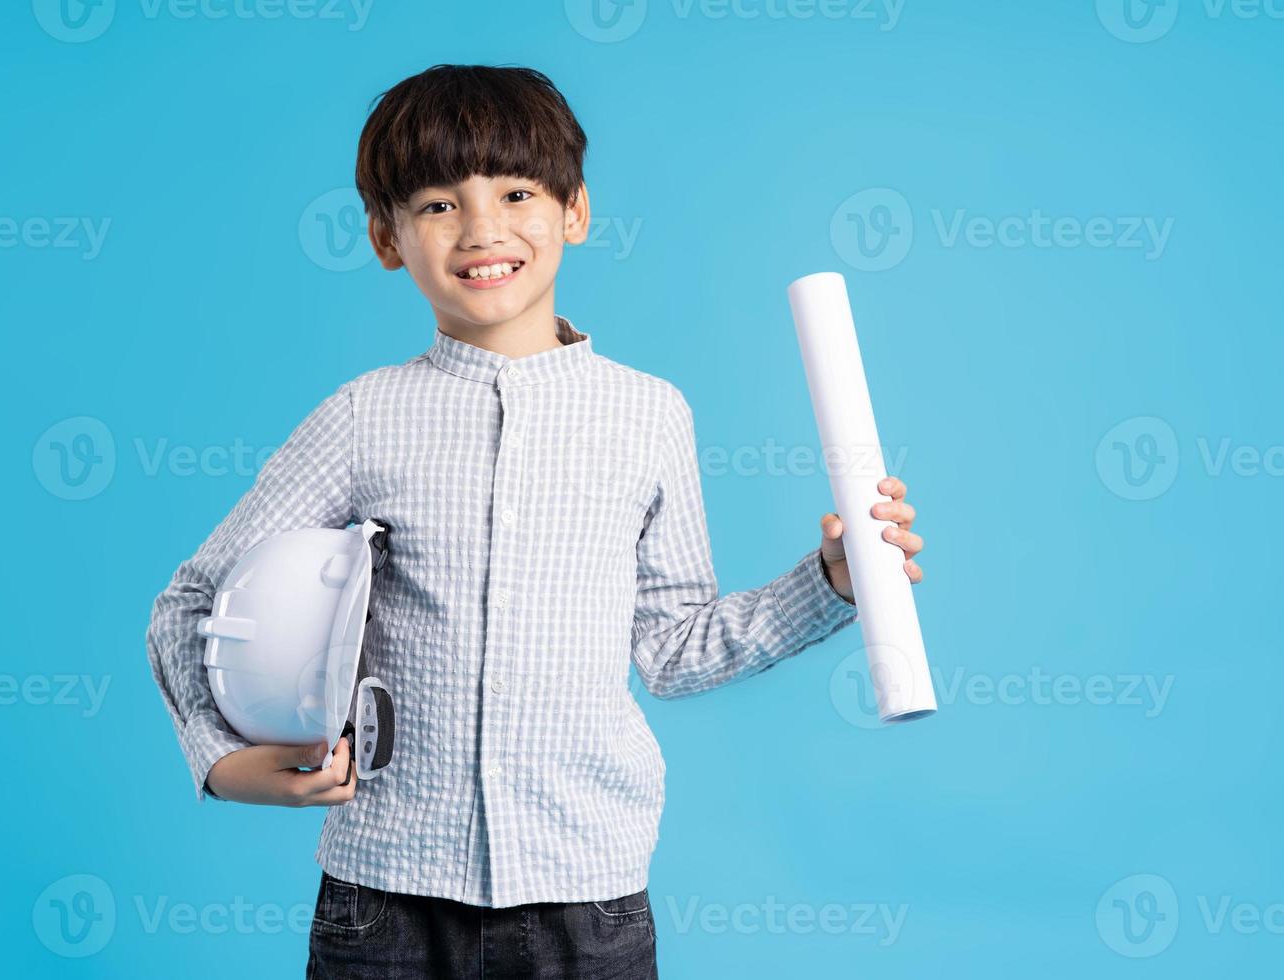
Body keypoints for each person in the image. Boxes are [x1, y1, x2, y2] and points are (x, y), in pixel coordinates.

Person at [145, 63, 927, 979]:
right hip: (386, 902)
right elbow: (191, 602)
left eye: (516, 192)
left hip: (585, 905)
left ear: (574, 211)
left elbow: (673, 650)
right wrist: (222, 758)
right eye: (438, 204)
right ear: (386, 238)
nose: (482, 230)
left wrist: (832, 583)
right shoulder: (365, 416)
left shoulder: (650, 415)